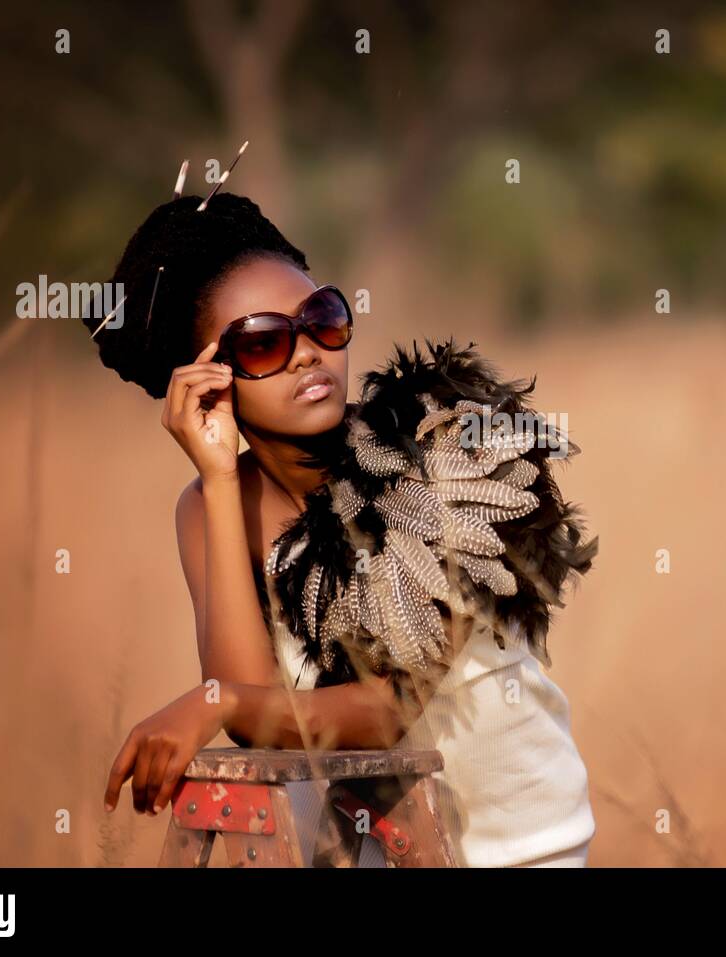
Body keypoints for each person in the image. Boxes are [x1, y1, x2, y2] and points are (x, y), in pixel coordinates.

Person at [85, 191, 596, 866]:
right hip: (370, 847)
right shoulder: (209, 508)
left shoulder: (443, 455)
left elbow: (388, 711)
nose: (305, 354)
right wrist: (216, 479)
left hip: (519, 846)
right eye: (263, 341)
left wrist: (214, 701)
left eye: (320, 319)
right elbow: (254, 720)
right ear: (205, 379)